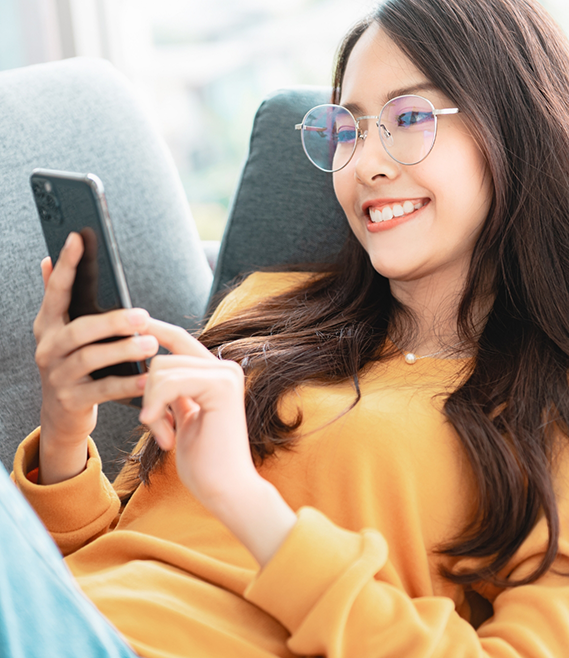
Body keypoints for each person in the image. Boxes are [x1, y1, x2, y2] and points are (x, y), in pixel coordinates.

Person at [5, 0, 569, 655]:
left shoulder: (546, 408)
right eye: (348, 130)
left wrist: (244, 498)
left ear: (515, 124)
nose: (365, 165)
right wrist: (66, 429)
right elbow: (108, 555)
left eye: (409, 118)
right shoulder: (272, 306)